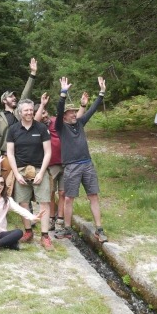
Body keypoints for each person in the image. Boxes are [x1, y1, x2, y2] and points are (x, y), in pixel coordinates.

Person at [55, 77, 108, 243]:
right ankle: (67, 228)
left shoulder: (79, 123)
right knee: (69, 198)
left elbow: (92, 110)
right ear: (64, 116)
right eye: (71, 112)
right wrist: (63, 93)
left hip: (87, 164)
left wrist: (101, 92)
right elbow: (59, 109)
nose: (74, 114)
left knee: (93, 196)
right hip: (71, 167)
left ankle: (99, 229)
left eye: (75, 112)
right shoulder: (60, 127)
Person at [6, 99, 53, 249]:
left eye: (31, 110)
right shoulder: (13, 129)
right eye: (26, 110)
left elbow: (48, 152)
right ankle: (28, 232)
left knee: (44, 202)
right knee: (23, 202)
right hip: (20, 170)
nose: (29, 112)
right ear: (20, 112)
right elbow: (10, 153)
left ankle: (45, 236)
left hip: (39, 169)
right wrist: (16, 174)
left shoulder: (41, 128)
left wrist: (42, 172)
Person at [38, 92, 85, 230]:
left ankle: (60, 219)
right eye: (41, 113)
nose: (44, 116)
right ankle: (51, 218)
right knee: (51, 193)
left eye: (45, 112)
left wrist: (82, 106)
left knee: (63, 192)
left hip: (65, 161)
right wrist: (41, 106)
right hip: (50, 164)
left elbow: (76, 118)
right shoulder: (38, 127)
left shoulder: (56, 121)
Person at [0, 58, 37, 187]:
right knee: (6, 185)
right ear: (4, 100)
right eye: (10, 96)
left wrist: (33, 74)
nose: (14, 98)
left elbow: (26, 94)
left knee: (24, 184)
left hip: (23, 154)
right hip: (6, 156)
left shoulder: (20, 112)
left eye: (14, 96)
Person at [0, 171, 42, 250]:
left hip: (1, 233)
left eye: (2, 183)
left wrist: (32, 217)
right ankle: (8, 243)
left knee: (19, 232)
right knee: (13, 243)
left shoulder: (7, 200)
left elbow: (20, 210)